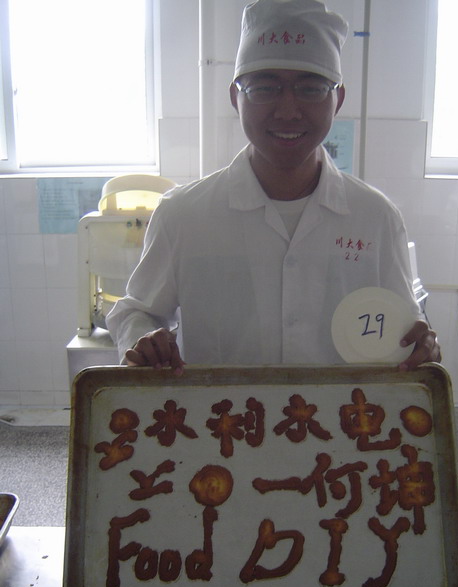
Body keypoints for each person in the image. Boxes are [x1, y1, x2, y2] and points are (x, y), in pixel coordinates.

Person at [106, 0, 440, 375]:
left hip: (345, 412)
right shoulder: (183, 215)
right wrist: (143, 339)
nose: (287, 110)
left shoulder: (375, 217)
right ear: (236, 99)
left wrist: (422, 344)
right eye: (264, 88)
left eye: (311, 89)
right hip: (220, 412)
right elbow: (137, 311)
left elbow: (404, 327)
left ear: (338, 100)